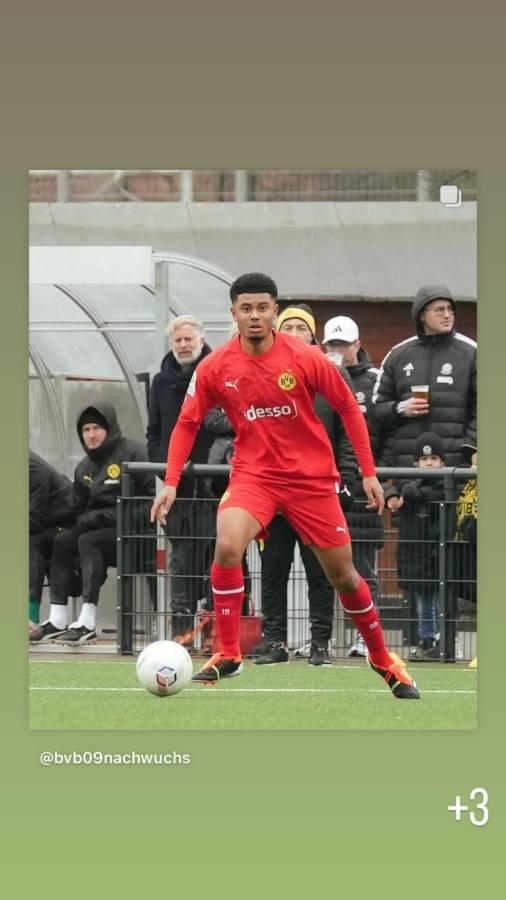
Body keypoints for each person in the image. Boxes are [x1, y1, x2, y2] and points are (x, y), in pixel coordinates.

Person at [151, 272, 419, 699]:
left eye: (262, 308)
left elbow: (349, 408)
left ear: (274, 311)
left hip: (312, 481)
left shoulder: (307, 358)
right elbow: (186, 422)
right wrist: (171, 479)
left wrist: (369, 472)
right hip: (254, 476)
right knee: (226, 545)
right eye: (246, 308)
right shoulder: (216, 366)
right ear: (233, 313)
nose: (255, 316)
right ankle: (229, 653)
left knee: (345, 577)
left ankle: (382, 658)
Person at [255, 304, 358, 666]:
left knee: (322, 571)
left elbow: (347, 429)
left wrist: (346, 477)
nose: (295, 334)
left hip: (316, 490)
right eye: (290, 327)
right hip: (273, 489)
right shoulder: (264, 371)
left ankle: (320, 644)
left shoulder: (329, 373)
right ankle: (275, 641)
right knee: (273, 569)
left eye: (302, 328)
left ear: (312, 336)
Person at [30, 402, 153, 645]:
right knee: (63, 540)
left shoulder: (134, 453)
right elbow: (79, 511)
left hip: (138, 537)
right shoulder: (83, 468)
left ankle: (87, 621)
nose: (91, 434)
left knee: (88, 540)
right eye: (86, 429)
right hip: (100, 536)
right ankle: (57, 619)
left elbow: (149, 503)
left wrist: (99, 518)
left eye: (97, 427)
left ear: (110, 428)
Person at [146, 315, 215, 638]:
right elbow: (155, 431)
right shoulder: (161, 382)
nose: (184, 345)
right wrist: (163, 468)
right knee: (180, 559)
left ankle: (219, 630)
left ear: (201, 340)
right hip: (178, 486)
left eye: (189, 339)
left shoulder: (216, 371)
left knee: (220, 555)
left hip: (216, 481)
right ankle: (181, 631)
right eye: (178, 340)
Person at [322, 315, 385, 657]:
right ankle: (325, 637)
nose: (337, 351)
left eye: (343, 345)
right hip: (323, 483)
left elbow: (381, 427)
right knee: (328, 569)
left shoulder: (376, 381)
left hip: (361, 484)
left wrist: (370, 474)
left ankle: (366, 636)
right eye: (331, 344)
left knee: (362, 567)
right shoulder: (316, 377)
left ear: (357, 345)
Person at [372, 285, 477, 468]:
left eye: (450, 309)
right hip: (406, 469)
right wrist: (400, 408)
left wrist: (471, 449)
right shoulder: (398, 354)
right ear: (421, 315)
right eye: (439, 310)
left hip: (455, 467)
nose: (447, 315)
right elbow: (377, 409)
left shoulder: (471, 352)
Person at [385, 432, 446, 659]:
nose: (429, 463)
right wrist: (393, 494)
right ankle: (426, 639)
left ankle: (445, 639)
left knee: (443, 600)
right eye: (424, 460)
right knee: (423, 601)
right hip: (417, 556)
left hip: (438, 554)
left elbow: (433, 493)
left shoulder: (443, 486)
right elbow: (393, 488)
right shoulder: (407, 487)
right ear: (416, 463)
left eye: (434, 459)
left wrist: (409, 493)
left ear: (442, 463)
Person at [29, 451, 76, 627]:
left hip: (66, 524)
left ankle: (30, 616)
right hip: (45, 525)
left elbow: (34, 518)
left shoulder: (31, 468)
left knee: (29, 542)